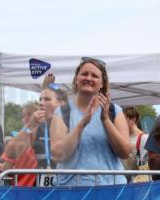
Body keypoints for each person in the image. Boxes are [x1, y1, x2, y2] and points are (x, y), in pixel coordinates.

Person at [50, 57, 130, 186]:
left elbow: (125, 152)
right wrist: (82, 123)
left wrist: (106, 120)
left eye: (94, 76)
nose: (89, 78)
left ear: (102, 83)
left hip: (110, 189)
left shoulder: (114, 111)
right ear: (76, 79)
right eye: (84, 74)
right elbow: (58, 155)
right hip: (71, 190)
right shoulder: (63, 112)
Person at [122, 107, 149, 172]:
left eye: (123, 119)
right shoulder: (122, 137)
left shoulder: (144, 137)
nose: (120, 122)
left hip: (138, 176)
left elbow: (144, 162)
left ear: (133, 119)